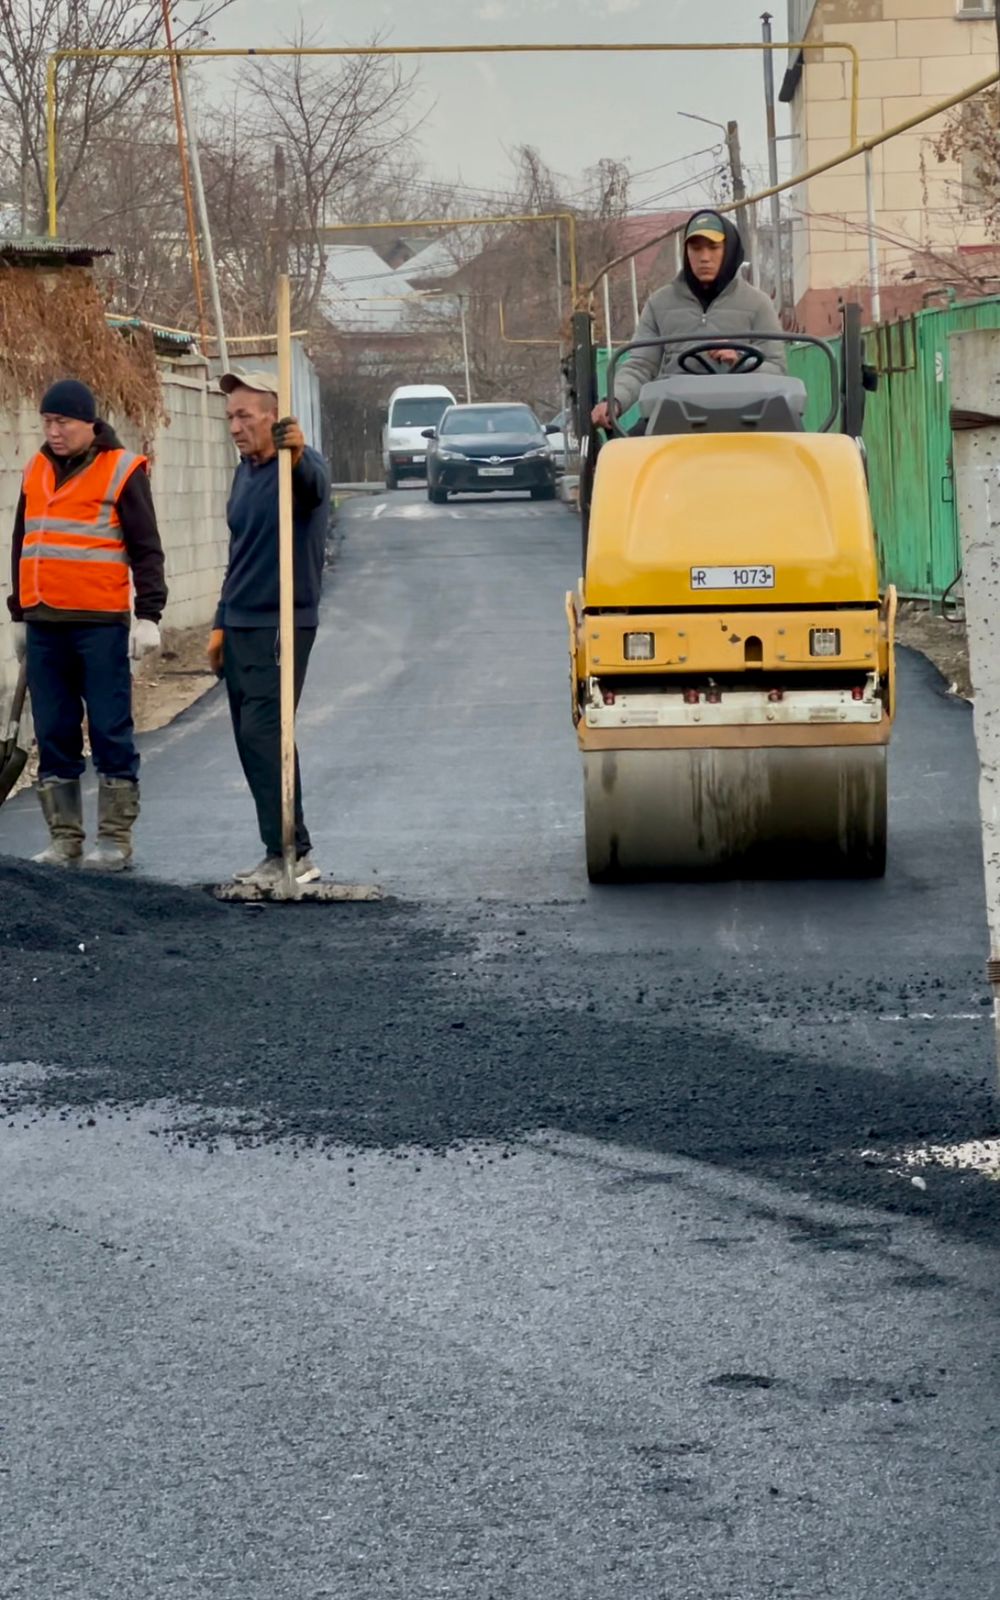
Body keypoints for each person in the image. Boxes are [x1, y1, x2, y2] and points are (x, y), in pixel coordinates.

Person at [7, 378, 166, 871]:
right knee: (54, 730)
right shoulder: (36, 470)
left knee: (108, 727)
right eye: (48, 423)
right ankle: (64, 839)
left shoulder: (120, 471)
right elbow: (22, 540)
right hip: (44, 623)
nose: (53, 432)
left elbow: (145, 546)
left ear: (89, 424)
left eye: (63, 423)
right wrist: (18, 612)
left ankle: (115, 839)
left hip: (99, 625)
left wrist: (149, 615)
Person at [208, 371, 330, 889]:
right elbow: (238, 555)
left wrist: (297, 453)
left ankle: (294, 853)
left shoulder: (296, 465)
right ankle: (274, 849)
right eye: (230, 416)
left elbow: (314, 489)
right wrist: (219, 622)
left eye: (244, 415)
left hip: (281, 623)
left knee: (266, 734)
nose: (234, 426)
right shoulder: (245, 474)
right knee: (248, 738)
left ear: (272, 417)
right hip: (239, 623)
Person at [592, 210, 786, 431]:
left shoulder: (758, 303)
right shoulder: (660, 303)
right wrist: (614, 401)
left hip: (747, 418)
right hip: (672, 417)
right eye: (696, 248)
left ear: (729, 250)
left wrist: (740, 359)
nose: (704, 257)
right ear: (686, 252)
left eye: (713, 248)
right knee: (624, 459)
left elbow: (777, 369)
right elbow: (640, 366)